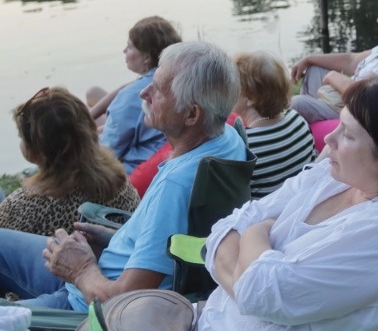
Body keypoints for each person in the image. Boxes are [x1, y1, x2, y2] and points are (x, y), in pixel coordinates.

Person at [0, 41, 247, 311]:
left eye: (159, 90)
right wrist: (114, 237)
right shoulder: (228, 139)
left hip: (86, 302)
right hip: (102, 267)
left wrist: (81, 269)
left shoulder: (176, 184)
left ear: (191, 114)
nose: (144, 92)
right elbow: (169, 239)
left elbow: (125, 298)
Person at [198, 77, 378, 330]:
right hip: (211, 316)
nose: (329, 139)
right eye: (339, 124)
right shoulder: (335, 177)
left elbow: (261, 293)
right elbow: (225, 229)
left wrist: (256, 231)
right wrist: (246, 286)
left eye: (348, 135)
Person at [0, 88, 139, 237]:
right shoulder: (121, 185)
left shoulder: (23, 207)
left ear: (39, 152)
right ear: (89, 130)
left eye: (22, 137)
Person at [88, 16, 182, 173]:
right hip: (157, 148)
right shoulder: (179, 76)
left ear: (147, 56)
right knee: (93, 93)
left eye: (130, 47)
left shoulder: (132, 95)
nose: (124, 51)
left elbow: (107, 154)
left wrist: (83, 137)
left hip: (133, 170)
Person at [233, 52, 316, 199]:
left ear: (251, 98)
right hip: (301, 201)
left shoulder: (244, 145)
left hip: (268, 215)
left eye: (231, 86)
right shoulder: (298, 119)